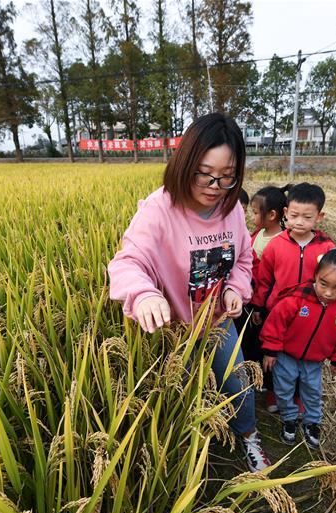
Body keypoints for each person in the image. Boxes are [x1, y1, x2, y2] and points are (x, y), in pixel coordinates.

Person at [107, 112, 270, 472]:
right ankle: (188, 458)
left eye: (227, 176)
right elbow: (126, 263)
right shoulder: (159, 209)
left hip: (217, 321)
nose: (214, 185)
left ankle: (247, 436)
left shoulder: (230, 210)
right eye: (204, 173)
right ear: (185, 163)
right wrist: (145, 294)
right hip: (175, 329)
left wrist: (235, 288)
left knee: (236, 378)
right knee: (179, 393)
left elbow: (243, 258)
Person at [260, 248, 336, 449]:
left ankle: (312, 421)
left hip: (314, 361)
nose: (329, 293)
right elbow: (275, 323)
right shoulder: (297, 298)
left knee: (313, 391)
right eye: (323, 284)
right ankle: (289, 418)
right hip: (286, 356)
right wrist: (270, 350)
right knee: (284, 387)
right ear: (315, 275)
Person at [237, 185, 289, 406]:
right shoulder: (257, 235)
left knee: (269, 347)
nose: (252, 216)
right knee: (251, 342)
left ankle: (271, 388)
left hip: (270, 306)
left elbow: (272, 280)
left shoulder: (282, 242)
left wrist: (260, 305)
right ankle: (253, 377)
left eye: (255, 212)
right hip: (253, 302)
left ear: (272, 215)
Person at [251, 183, 336, 313]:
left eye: (307, 217)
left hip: (310, 311)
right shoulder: (275, 245)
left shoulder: (326, 247)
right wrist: (258, 306)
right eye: (294, 215)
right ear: (286, 212)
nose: (299, 222)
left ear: (319, 217)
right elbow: (264, 280)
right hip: (276, 310)